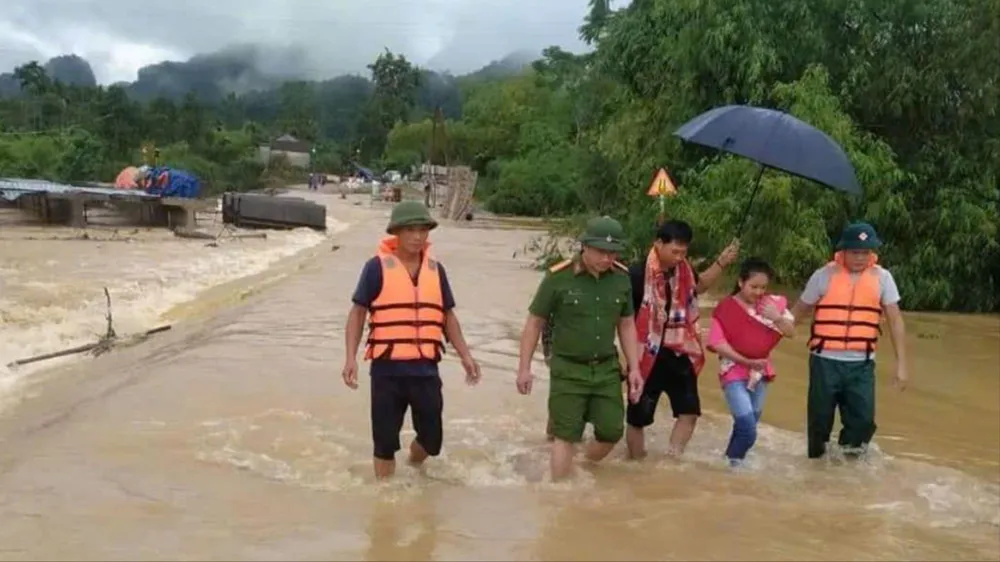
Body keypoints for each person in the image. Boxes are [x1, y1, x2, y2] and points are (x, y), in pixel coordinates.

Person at [341, 200, 482, 480]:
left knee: (432, 440)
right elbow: (358, 314)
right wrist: (350, 359)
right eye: (410, 230)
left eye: (423, 230)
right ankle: (386, 500)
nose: (418, 237)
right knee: (383, 443)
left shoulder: (436, 270)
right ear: (396, 232)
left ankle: (414, 465)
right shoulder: (375, 268)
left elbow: (447, 317)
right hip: (387, 370)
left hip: (425, 369)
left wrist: (466, 355)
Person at [516, 216, 643, 480]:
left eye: (612, 253)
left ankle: (582, 466)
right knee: (566, 435)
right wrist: (524, 368)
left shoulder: (621, 279)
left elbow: (627, 325)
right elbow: (534, 323)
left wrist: (634, 368)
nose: (607, 259)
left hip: (606, 369)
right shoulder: (558, 277)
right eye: (601, 252)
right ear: (584, 246)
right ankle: (559, 494)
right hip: (567, 369)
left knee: (611, 432)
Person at [789, 222, 908, 459]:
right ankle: (816, 470)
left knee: (862, 422)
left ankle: (849, 471)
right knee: (819, 421)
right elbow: (798, 312)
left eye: (866, 252)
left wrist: (901, 365)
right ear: (843, 251)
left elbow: (895, 321)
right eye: (855, 252)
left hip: (861, 365)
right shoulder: (823, 276)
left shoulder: (883, 278)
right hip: (825, 362)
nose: (860, 257)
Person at [625, 219, 740, 459]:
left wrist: (722, 262)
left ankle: (672, 460)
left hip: (680, 352)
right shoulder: (636, 274)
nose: (679, 257)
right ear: (658, 244)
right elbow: (623, 320)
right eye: (674, 251)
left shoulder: (684, 271)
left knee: (689, 413)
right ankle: (635, 463)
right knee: (638, 418)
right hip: (648, 355)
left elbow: (700, 287)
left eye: (683, 252)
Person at [706, 258, 795, 466]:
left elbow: (791, 333)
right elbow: (716, 343)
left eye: (763, 287)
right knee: (748, 427)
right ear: (740, 282)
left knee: (746, 425)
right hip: (733, 372)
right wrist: (746, 360)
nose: (758, 292)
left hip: (760, 374)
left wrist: (777, 317)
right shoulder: (726, 308)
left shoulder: (772, 305)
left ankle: (729, 465)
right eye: (753, 287)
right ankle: (734, 465)